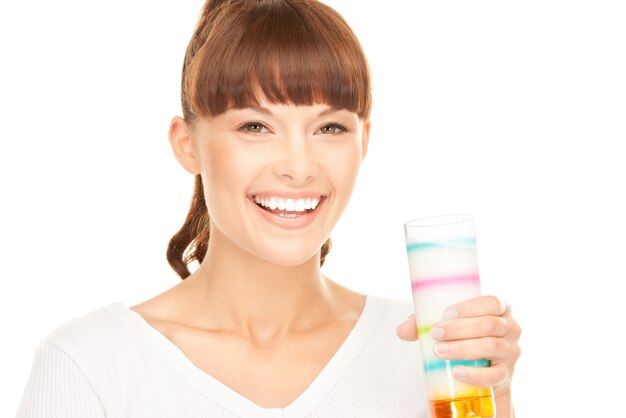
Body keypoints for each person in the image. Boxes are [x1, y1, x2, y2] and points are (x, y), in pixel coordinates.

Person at [16, 0, 521, 417]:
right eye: (255, 126)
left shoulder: (430, 353)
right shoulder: (89, 365)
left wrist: (495, 401)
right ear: (186, 143)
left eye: (330, 128)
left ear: (364, 141)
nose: (299, 167)